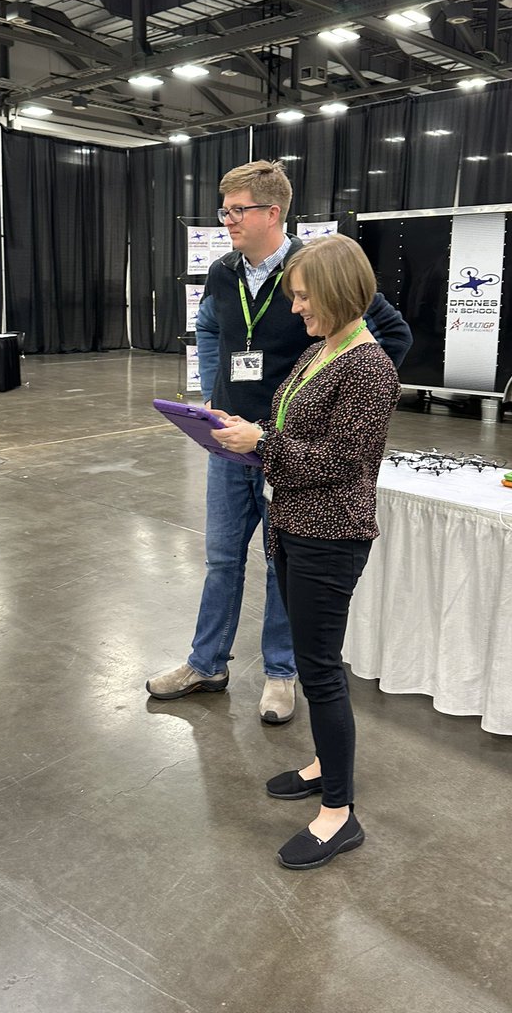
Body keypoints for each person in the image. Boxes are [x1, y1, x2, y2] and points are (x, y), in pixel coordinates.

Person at [146, 160, 411, 725]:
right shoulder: (222, 271)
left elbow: (390, 332)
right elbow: (213, 328)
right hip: (228, 443)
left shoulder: (314, 269)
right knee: (222, 559)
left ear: (273, 212)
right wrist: (220, 387)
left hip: (287, 454)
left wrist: (343, 389)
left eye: (237, 210)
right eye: (225, 210)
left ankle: (280, 673)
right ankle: (206, 663)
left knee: (280, 564)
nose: (227, 221)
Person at [209, 234, 401, 869]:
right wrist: (246, 433)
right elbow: (292, 430)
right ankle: (324, 764)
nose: (295, 309)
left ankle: (339, 814)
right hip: (295, 526)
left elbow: (341, 465)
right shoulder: (323, 352)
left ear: (339, 293)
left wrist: (259, 442)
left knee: (319, 669)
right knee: (318, 664)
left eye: (302, 296)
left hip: (330, 535)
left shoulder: (368, 369)